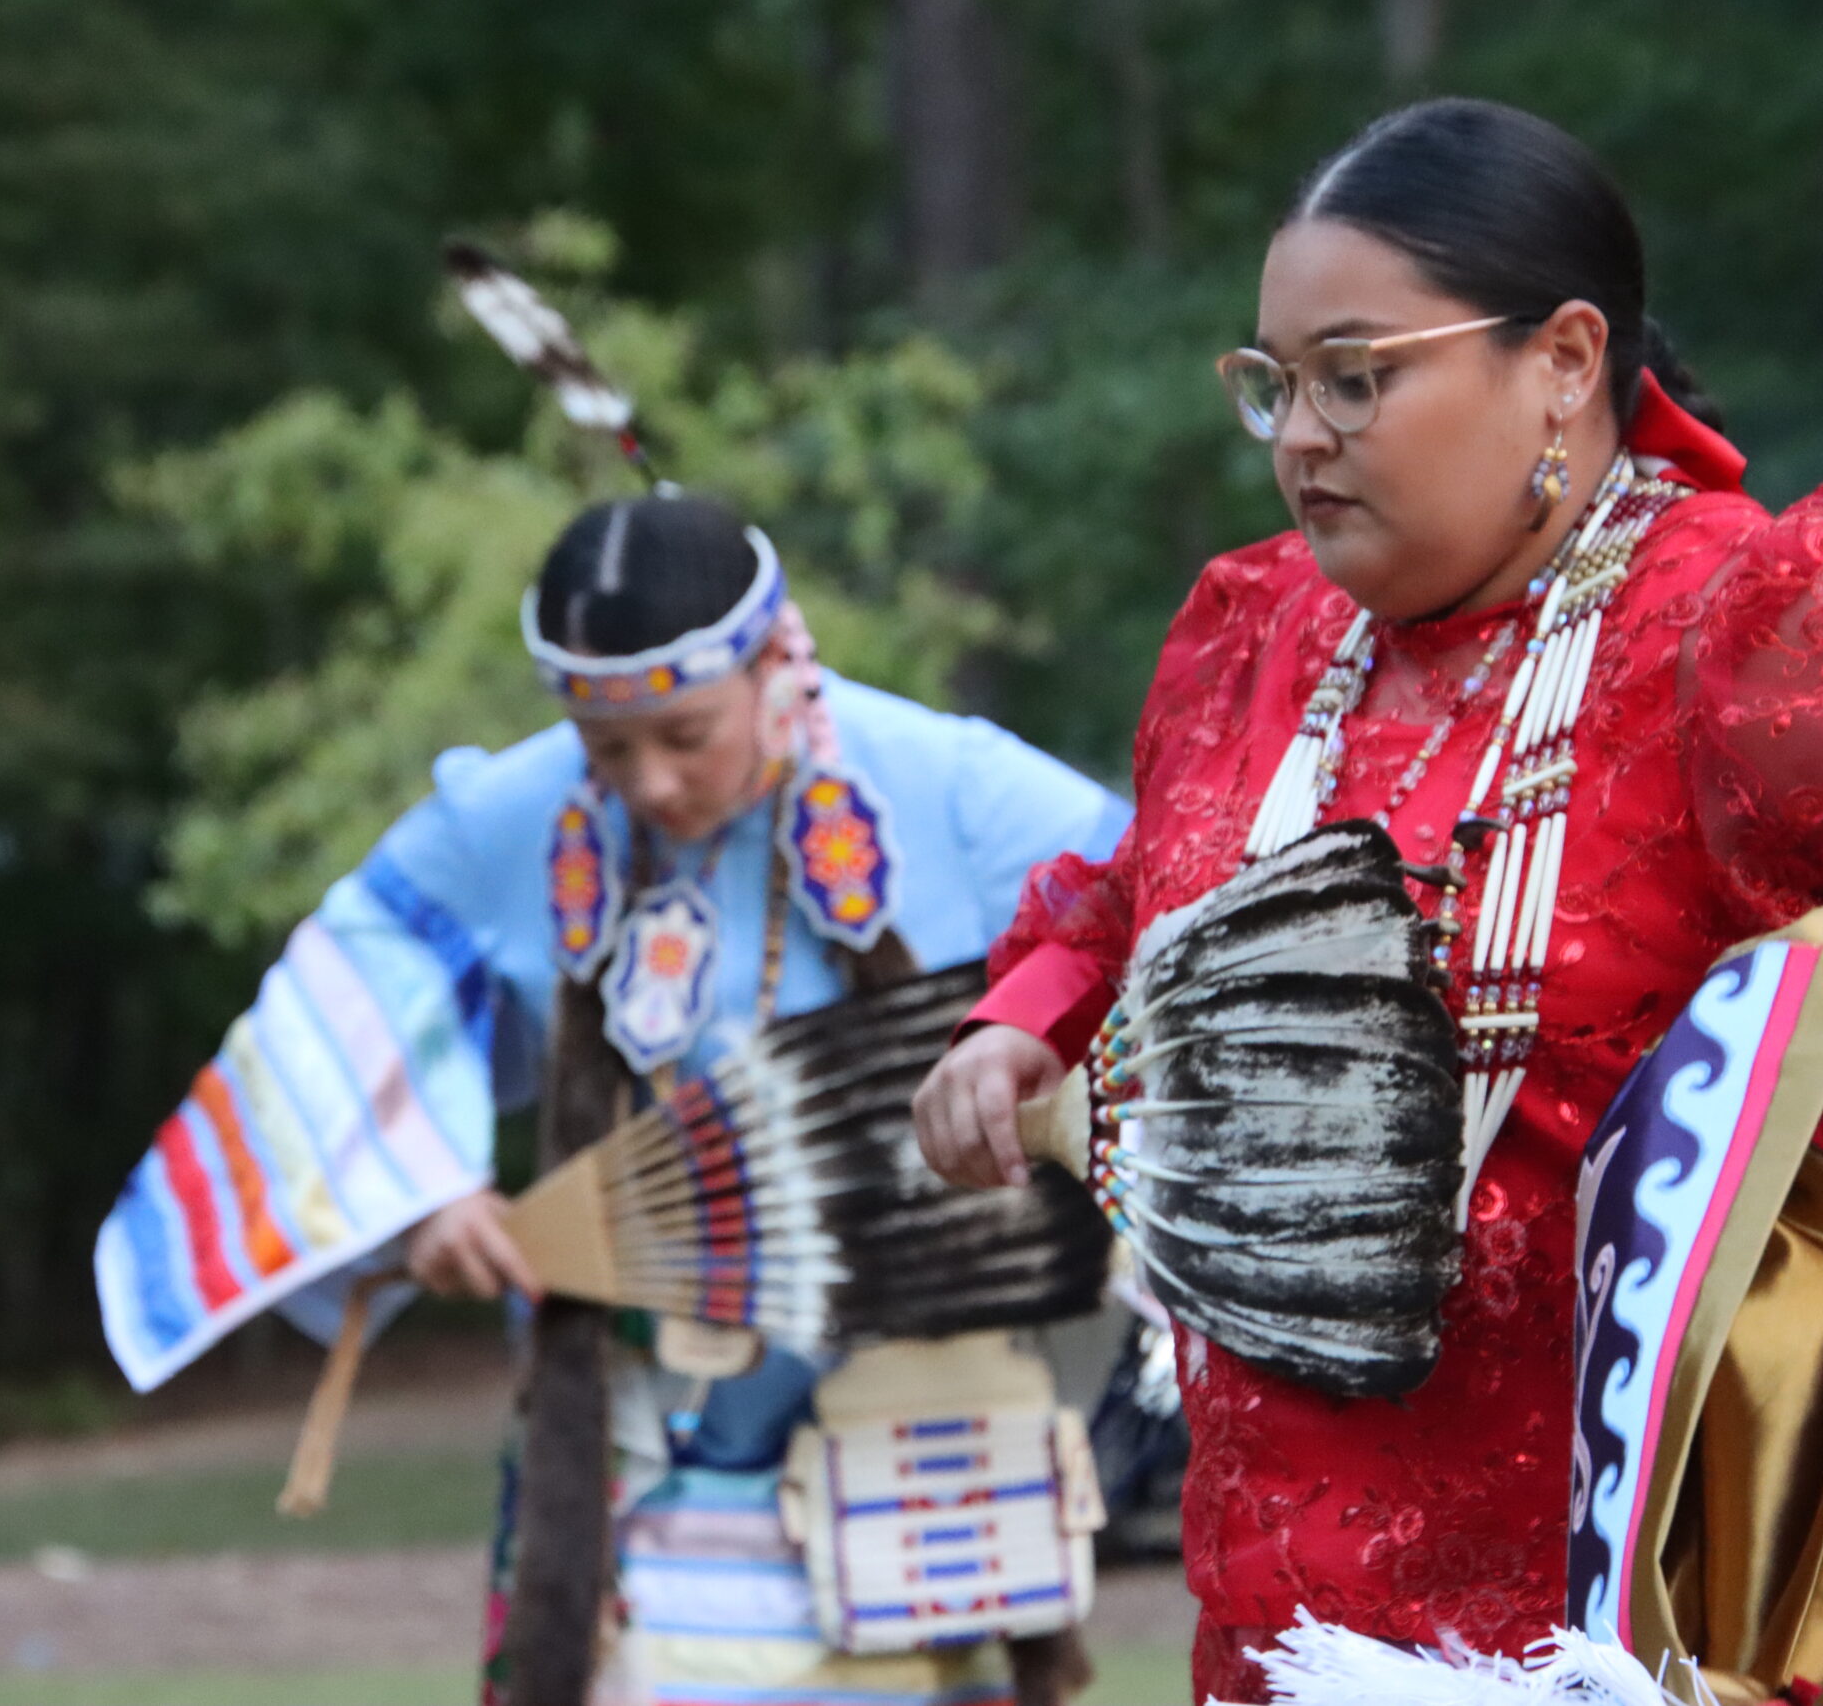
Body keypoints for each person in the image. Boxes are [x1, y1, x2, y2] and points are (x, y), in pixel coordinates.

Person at [915, 97, 1823, 1705]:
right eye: (1271, 383)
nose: (1298, 435)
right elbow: (1138, 890)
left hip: (1661, 1595)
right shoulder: (1256, 635)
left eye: (1356, 375)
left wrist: (1799, 1076)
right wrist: (1027, 1019)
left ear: (1563, 358)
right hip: (1299, 1598)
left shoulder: (1750, 627)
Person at [102, 492, 1127, 1706]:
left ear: (771, 662)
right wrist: (420, 1193)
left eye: (686, 735)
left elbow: (1152, 917)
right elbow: (353, 976)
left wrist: (1045, 1087)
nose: (647, 781)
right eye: (606, 750)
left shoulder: (948, 785)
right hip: (630, 1431)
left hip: (912, 1437)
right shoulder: (514, 816)